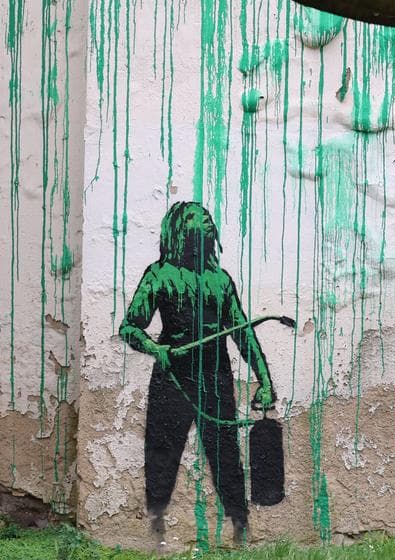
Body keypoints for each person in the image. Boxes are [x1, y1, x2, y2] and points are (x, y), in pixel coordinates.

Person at [119, 201, 275, 548]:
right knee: (162, 455)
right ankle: (154, 530)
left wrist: (265, 381)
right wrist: (154, 348)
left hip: (215, 380)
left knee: (226, 458)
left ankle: (240, 529)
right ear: (178, 230)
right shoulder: (158, 274)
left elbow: (243, 333)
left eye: (206, 221)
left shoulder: (220, 281)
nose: (204, 223)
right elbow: (130, 327)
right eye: (194, 221)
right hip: (171, 380)